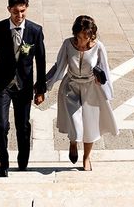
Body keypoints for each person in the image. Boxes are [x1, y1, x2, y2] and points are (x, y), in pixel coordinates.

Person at [0, 0, 46, 177]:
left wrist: (40, 89)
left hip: (24, 86)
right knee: (2, 125)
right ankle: (3, 162)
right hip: (2, 85)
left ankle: (23, 161)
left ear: (27, 9)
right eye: (16, 12)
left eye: (23, 11)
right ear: (9, 10)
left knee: (22, 125)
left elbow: (40, 60)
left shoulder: (35, 30)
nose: (19, 16)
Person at [46, 15, 118, 171]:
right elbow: (59, 66)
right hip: (71, 86)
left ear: (91, 35)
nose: (81, 42)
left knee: (90, 125)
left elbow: (104, 69)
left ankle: (86, 157)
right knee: (74, 120)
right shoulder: (68, 44)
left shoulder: (98, 47)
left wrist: (105, 87)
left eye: (85, 37)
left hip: (91, 88)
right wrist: (44, 84)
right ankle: (73, 142)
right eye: (79, 37)